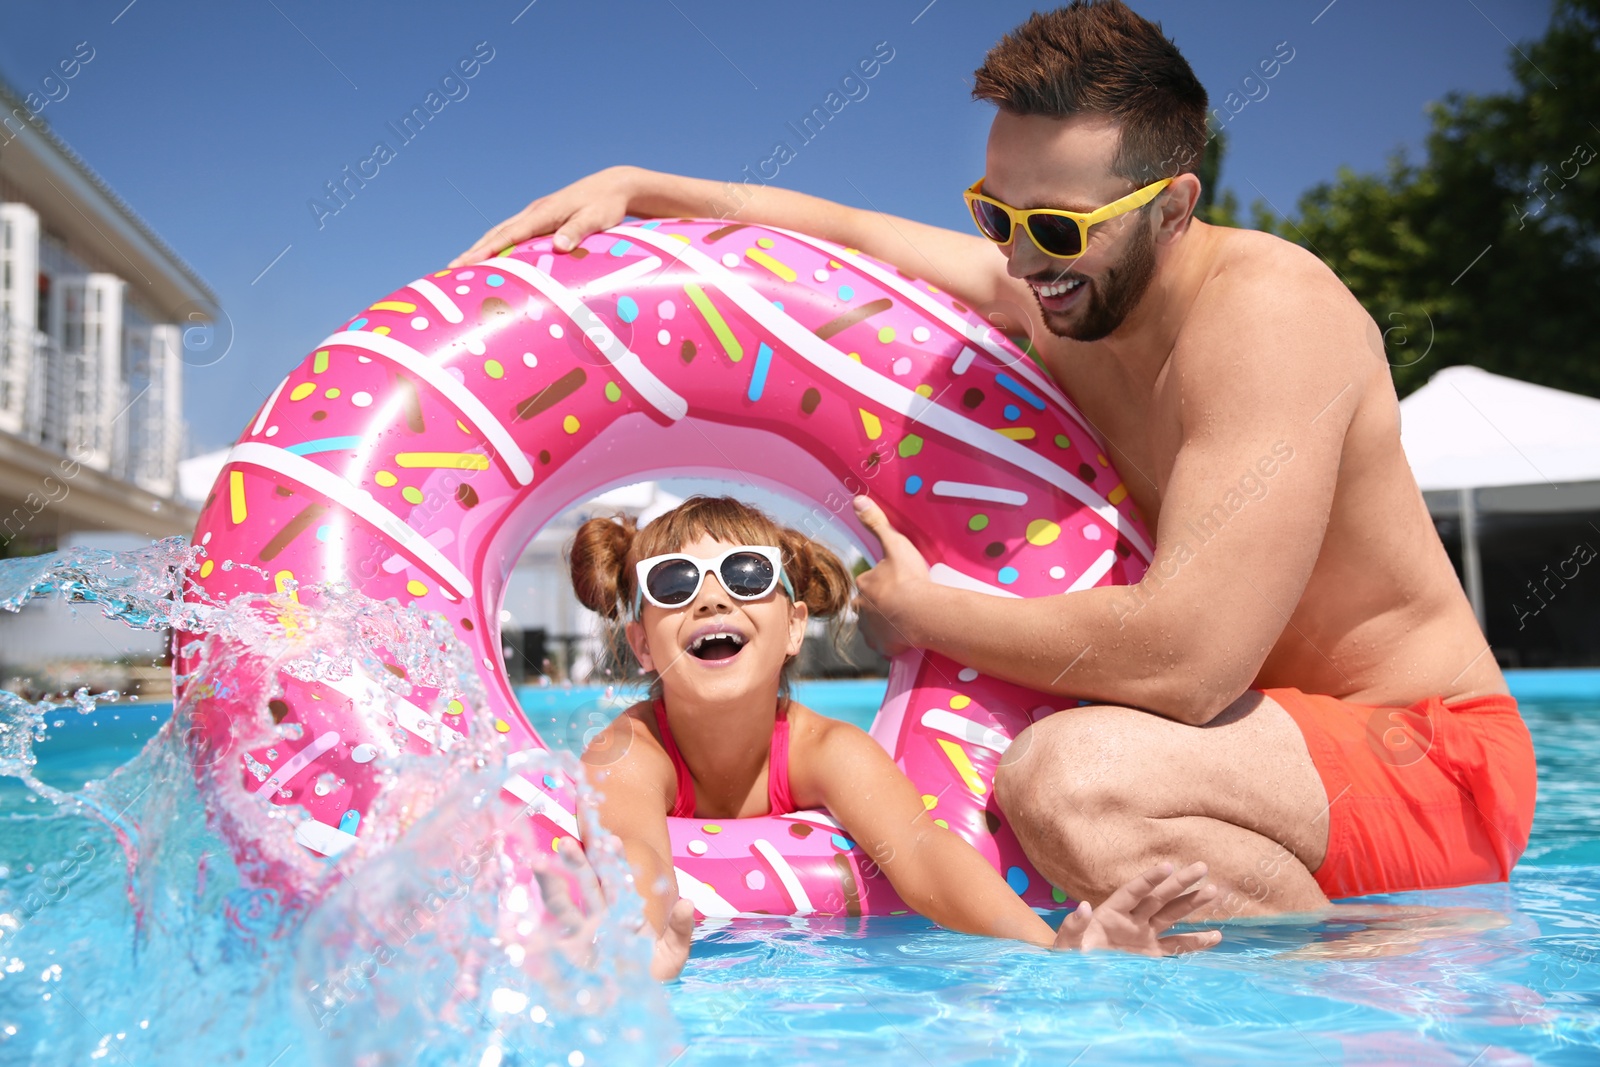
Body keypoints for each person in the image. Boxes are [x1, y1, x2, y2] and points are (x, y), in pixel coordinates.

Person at [461, 2, 1536, 921]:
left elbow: (1190, 660)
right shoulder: (1063, 296)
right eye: (996, 215)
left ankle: (1353, 989)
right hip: (1250, 760)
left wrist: (920, 613)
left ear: (1173, 206)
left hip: (1427, 759)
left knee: (1070, 781)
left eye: (1057, 231)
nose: (1021, 260)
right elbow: (845, 230)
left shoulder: (1268, 314)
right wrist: (647, 184)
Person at [566, 495, 1222, 979]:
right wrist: (637, 938)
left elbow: (923, 853)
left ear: (795, 626)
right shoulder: (629, 749)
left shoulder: (823, 748)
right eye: (674, 583)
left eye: (745, 575)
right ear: (641, 643)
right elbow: (632, 845)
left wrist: (1049, 948)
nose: (711, 599)